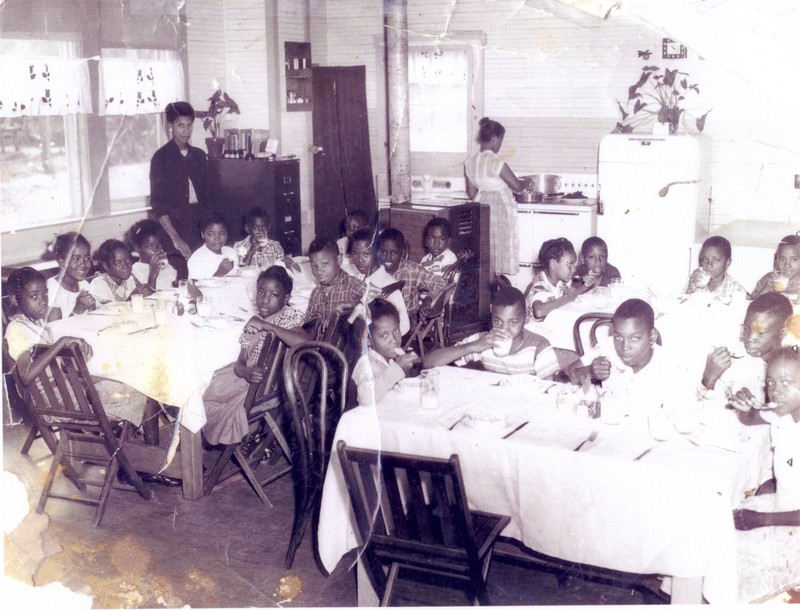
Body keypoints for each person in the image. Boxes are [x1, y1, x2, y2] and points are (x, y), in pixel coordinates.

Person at [5, 267, 146, 426]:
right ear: (15, 300)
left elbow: (52, 364)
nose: (43, 301)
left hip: (66, 394)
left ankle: (135, 439)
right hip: (58, 403)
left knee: (135, 385)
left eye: (45, 294)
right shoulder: (17, 328)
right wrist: (61, 343)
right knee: (143, 394)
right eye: (34, 296)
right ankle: (147, 446)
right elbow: (26, 375)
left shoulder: (35, 325)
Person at [202, 266, 308, 446]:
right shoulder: (254, 321)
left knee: (210, 403)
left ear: (286, 298)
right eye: (261, 292)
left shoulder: (290, 317)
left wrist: (268, 326)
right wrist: (244, 371)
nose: (265, 300)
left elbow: (304, 342)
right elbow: (240, 361)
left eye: (273, 295)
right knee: (204, 391)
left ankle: (242, 438)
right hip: (255, 381)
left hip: (267, 389)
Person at [566, 298, 687, 409]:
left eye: (634, 338)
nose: (624, 347)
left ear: (652, 336)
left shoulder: (669, 366)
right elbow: (567, 375)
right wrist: (590, 371)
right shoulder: (607, 347)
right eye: (618, 337)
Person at [732, 347, 800, 530]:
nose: (776, 391)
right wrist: (744, 408)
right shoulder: (781, 413)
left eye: (786, 382)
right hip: (784, 506)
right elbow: (751, 418)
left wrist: (763, 520)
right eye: (771, 383)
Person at [424, 287, 560, 378]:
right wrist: (473, 346)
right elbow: (428, 362)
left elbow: (547, 392)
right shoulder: (484, 340)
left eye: (513, 322)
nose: (504, 329)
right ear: (491, 314)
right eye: (498, 321)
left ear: (525, 318)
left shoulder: (538, 347)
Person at [464, 117, 531, 276]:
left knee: (486, 252)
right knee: (499, 249)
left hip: (481, 207)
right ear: (494, 139)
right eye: (500, 141)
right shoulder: (495, 160)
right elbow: (517, 186)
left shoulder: (470, 162)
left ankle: (488, 289)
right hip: (499, 209)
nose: (500, 145)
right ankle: (498, 288)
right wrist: (527, 181)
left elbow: (472, 193)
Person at [700, 293, 792, 407]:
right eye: (746, 329)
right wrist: (709, 378)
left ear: (782, 332)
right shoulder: (730, 360)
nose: (749, 339)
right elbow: (702, 411)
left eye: (760, 333)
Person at [149, 101, 207, 261]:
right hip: (173, 227)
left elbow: (208, 198)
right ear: (171, 125)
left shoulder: (199, 156)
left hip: (199, 225)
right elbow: (158, 204)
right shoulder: (161, 158)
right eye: (181, 125)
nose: (186, 131)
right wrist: (176, 238)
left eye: (189, 125)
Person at [351, 299, 420, 407]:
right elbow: (365, 399)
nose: (394, 340)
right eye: (384, 335)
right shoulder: (367, 364)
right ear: (368, 340)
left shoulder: (388, 358)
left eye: (396, 330)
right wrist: (397, 369)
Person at [349, 228, 410, 335]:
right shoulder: (359, 278)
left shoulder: (388, 285)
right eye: (355, 254)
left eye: (366, 254)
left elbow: (404, 325)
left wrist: (381, 339)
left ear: (378, 253)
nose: (360, 260)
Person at [377, 228, 445, 320]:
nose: (388, 257)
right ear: (377, 252)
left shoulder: (411, 270)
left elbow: (439, 282)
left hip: (408, 325)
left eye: (393, 252)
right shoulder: (374, 271)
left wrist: (429, 299)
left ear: (402, 252)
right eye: (383, 252)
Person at [303, 237, 366, 326]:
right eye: (314, 266)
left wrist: (349, 305)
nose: (319, 271)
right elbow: (307, 326)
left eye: (324, 264)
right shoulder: (316, 293)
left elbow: (377, 308)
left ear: (339, 260)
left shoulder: (356, 287)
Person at [526, 238, 593, 321]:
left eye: (574, 264)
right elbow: (539, 311)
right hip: (533, 330)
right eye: (569, 264)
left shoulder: (560, 280)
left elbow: (572, 294)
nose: (574, 269)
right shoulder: (539, 285)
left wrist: (585, 287)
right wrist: (567, 297)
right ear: (553, 264)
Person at [44, 232, 96, 321]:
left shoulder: (84, 285)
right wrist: (77, 310)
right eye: (76, 259)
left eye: (87, 258)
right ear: (62, 262)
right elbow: (55, 331)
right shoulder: (50, 290)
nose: (83, 264)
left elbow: (93, 320)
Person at [89, 239, 152, 303]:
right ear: (106, 266)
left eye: (127, 260)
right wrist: (131, 298)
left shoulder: (130, 279)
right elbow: (109, 312)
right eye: (118, 263)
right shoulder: (99, 285)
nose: (125, 266)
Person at [129, 219, 177, 292]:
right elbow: (146, 300)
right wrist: (152, 274)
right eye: (150, 247)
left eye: (159, 246)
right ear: (137, 248)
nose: (156, 251)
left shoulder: (168, 268)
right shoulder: (133, 272)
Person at [187, 213, 238, 280]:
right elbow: (197, 288)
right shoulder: (196, 259)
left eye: (222, 234)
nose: (217, 238)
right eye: (211, 234)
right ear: (203, 235)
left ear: (227, 235)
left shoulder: (231, 252)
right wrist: (220, 273)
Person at [751, 235, 800, 300]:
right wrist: (767, 288)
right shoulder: (768, 279)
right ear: (777, 260)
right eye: (782, 259)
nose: (787, 264)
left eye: (794, 259)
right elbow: (753, 306)